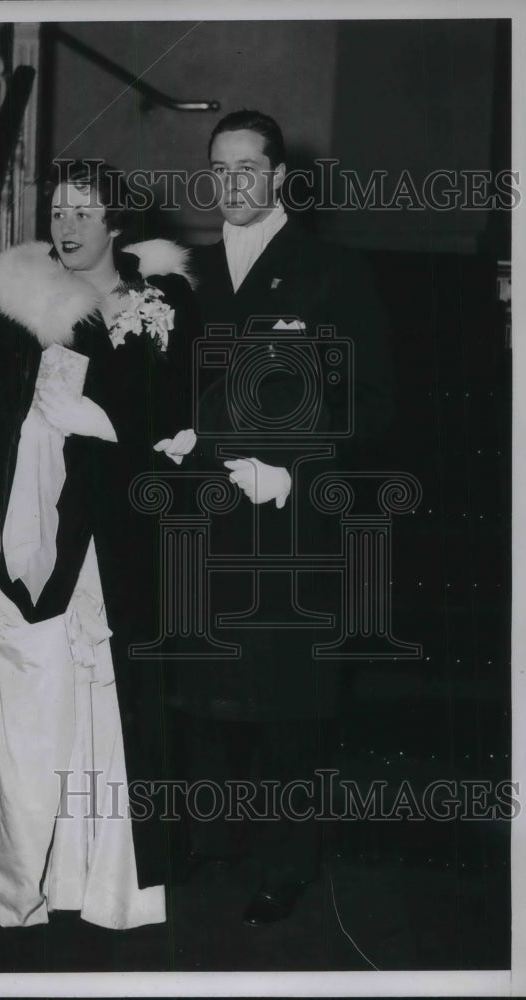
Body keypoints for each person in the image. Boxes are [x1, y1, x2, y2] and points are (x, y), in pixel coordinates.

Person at [0, 159, 199, 930]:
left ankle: (107, 884)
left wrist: (121, 433)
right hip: (35, 516)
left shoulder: (161, 302)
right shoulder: (24, 294)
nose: (65, 225)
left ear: (116, 221)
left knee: (112, 695)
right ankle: (26, 871)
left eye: (84, 211)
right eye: (58, 210)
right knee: (33, 691)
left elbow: (175, 417)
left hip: (119, 524)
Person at [172, 110, 394, 924]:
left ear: (278, 178)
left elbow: (370, 407)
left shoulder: (330, 271)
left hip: (289, 525)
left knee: (288, 708)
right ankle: (210, 842)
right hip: (200, 517)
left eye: (245, 169)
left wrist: (294, 471)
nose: (230, 185)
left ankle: (288, 863)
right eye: (218, 169)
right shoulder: (185, 274)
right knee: (200, 696)